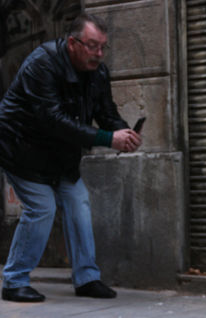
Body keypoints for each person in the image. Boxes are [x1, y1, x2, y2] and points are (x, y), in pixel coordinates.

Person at [0, 13, 142, 302]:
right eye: (92, 46)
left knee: (79, 204)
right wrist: (106, 139)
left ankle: (87, 278)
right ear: (72, 43)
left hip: (59, 154)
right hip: (20, 149)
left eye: (103, 47)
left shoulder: (97, 72)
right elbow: (53, 120)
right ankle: (14, 281)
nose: (99, 54)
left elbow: (106, 113)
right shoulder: (42, 64)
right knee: (42, 208)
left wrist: (122, 132)